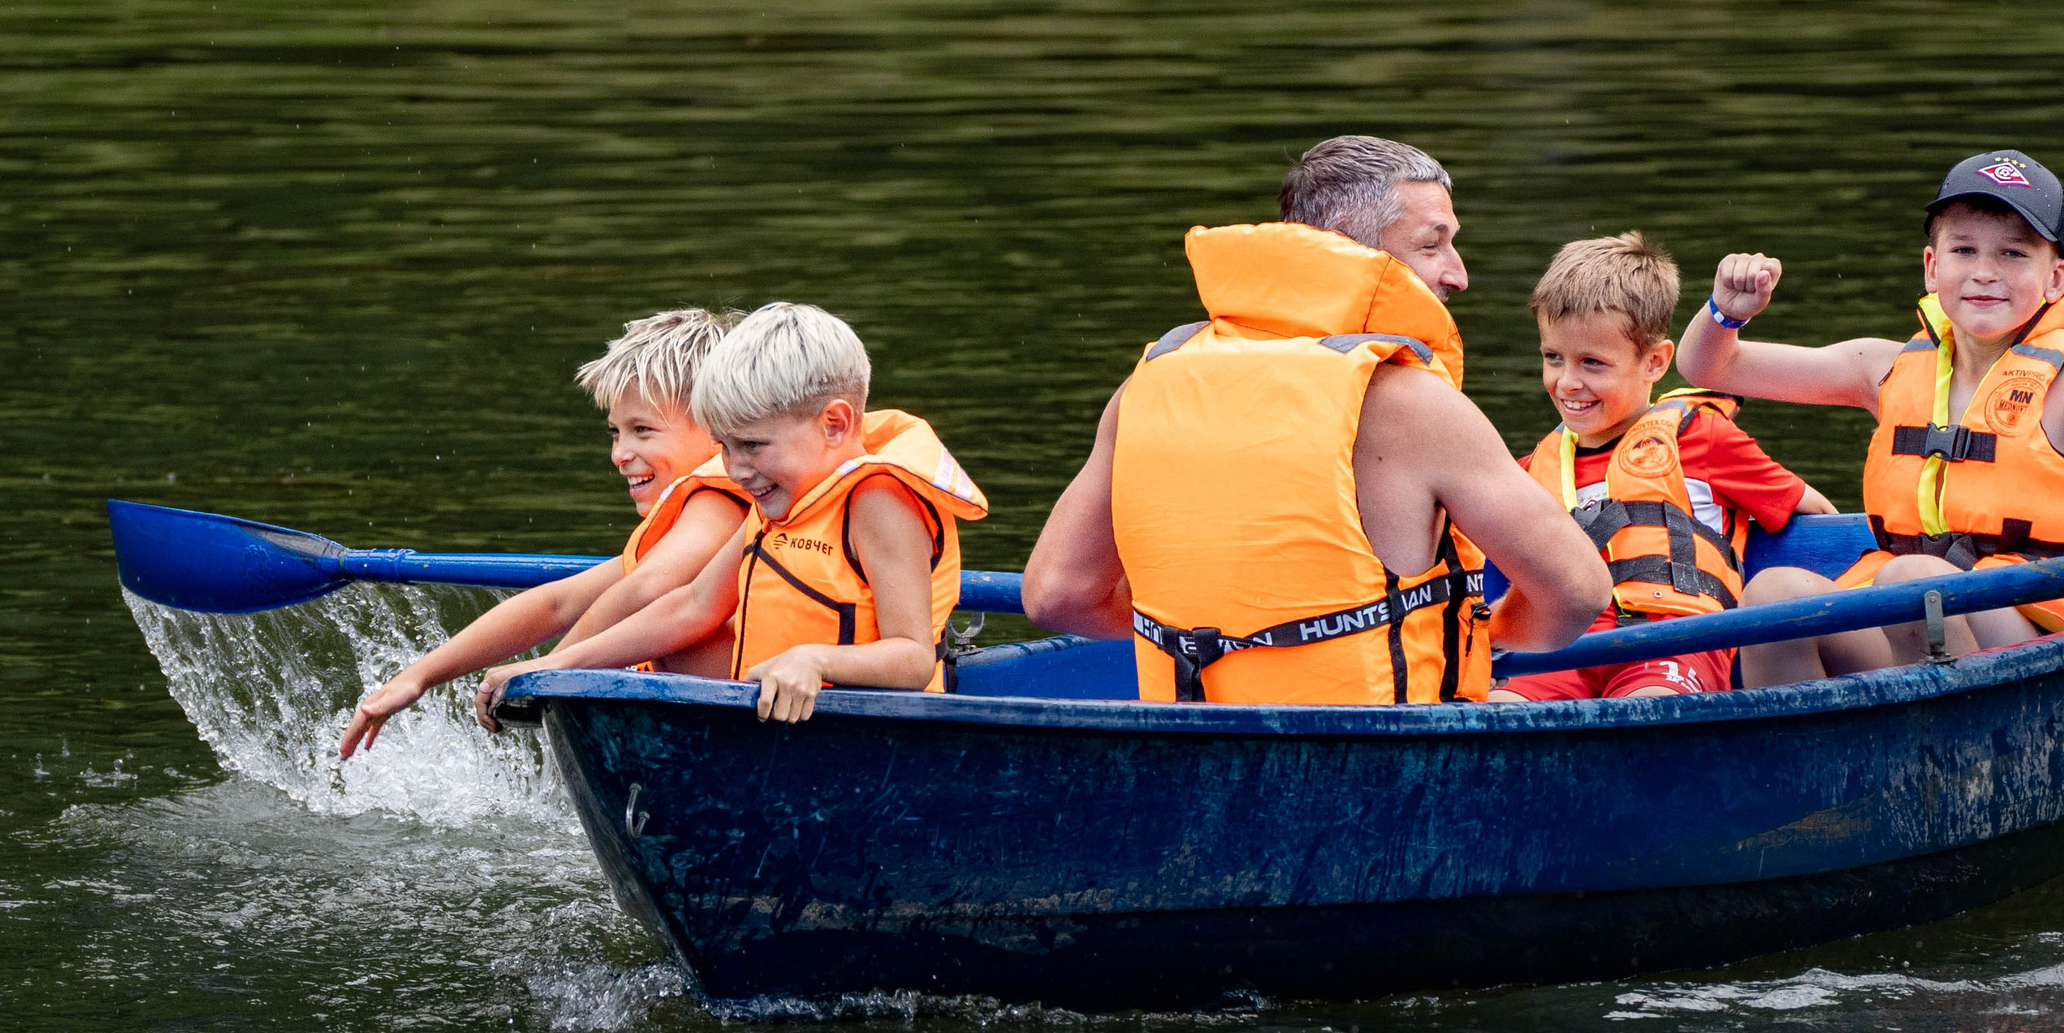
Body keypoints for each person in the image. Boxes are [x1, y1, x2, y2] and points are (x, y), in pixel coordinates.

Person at [1020, 134, 1609, 704]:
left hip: (1193, 739)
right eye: (1431, 246)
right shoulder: (1415, 404)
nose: (1457, 274)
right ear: (1357, 253)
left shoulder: (1150, 381)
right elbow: (1577, 592)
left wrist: (1227, 640)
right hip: (1376, 752)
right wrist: (1481, 633)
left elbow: (1057, 595)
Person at [1676, 149, 2064, 685]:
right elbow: (1712, 366)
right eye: (1964, 250)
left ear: (2056, 278)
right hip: (1915, 615)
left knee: (1915, 582)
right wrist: (1726, 312)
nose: (1984, 272)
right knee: (1774, 594)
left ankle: (1950, 758)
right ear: (1931, 266)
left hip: (2039, 647)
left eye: (2013, 253)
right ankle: (1803, 769)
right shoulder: (1882, 366)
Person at [532, 302, 988, 723]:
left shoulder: (878, 502)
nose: (736, 470)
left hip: (874, 737)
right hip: (786, 728)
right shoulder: (782, 497)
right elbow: (693, 606)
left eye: (752, 446)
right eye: (725, 448)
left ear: (834, 424)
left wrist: (815, 659)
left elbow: (911, 658)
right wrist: (554, 667)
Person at [337, 307, 750, 758]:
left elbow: (651, 586)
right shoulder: (691, 524)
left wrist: (550, 673)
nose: (619, 453)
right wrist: (417, 676)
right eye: (615, 432)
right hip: (718, 735)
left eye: (643, 431)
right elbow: (557, 603)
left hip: (747, 736)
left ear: (719, 430)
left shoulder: (721, 500)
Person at [1490, 233, 1835, 704]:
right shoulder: (1528, 471)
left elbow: (1817, 518)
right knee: (1501, 711)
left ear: (1655, 362)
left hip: (1674, 641)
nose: (1567, 382)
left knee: (1644, 710)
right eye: (1553, 357)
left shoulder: (1702, 439)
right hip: (1563, 647)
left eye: (1592, 363)